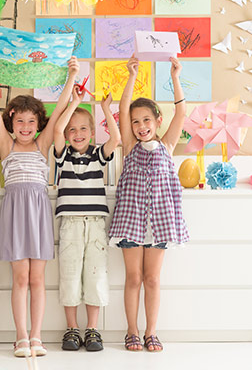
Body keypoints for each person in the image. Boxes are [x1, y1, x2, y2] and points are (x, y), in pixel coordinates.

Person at [0, 57, 80, 357]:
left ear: (38, 124)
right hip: (15, 213)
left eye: (31, 122)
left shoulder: (43, 145)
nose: (26, 127)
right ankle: (21, 336)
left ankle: (37, 336)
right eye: (20, 121)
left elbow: (58, 114)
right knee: (20, 278)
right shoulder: (6, 146)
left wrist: (72, 77)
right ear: (11, 122)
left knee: (37, 278)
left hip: (38, 214)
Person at [108, 56, 189, 352]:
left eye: (146, 120)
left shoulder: (167, 145)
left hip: (160, 224)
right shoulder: (129, 146)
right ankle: (131, 331)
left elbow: (181, 112)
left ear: (157, 121)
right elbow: (121, 107)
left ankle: (151, 332)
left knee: (152, 279)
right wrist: (131, 76)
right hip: (130, 220)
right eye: (135, 122)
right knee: (133, 278)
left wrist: (175, 76)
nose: (141, 126)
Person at [53, 86, 120, 352]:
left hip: (95, 223)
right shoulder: (62, 156)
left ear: (92, 133)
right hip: (70, 224)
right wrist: (75, 103)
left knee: (95, 275)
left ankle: (92, 329)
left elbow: (115, 138)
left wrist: (104, 109)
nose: (77, 134)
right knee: (69, 275)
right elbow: (57, 131)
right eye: (73, 130)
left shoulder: (97, 154)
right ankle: (72, 328)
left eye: (83, 129)